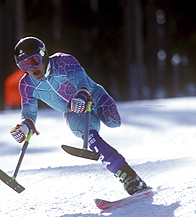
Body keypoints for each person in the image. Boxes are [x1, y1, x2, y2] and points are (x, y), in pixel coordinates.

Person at [10, 36, 148, 195]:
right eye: (24, 65)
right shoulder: (26, 84)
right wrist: (25, 125)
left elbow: (80, 79)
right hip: (73, 112)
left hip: (95, 96)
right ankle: (129, 177)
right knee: (90, 138)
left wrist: (82, 95)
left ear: (44, 54)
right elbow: (29, 111)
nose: (31, 68)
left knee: (114, 122)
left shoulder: (64, 61)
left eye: (34, 60)